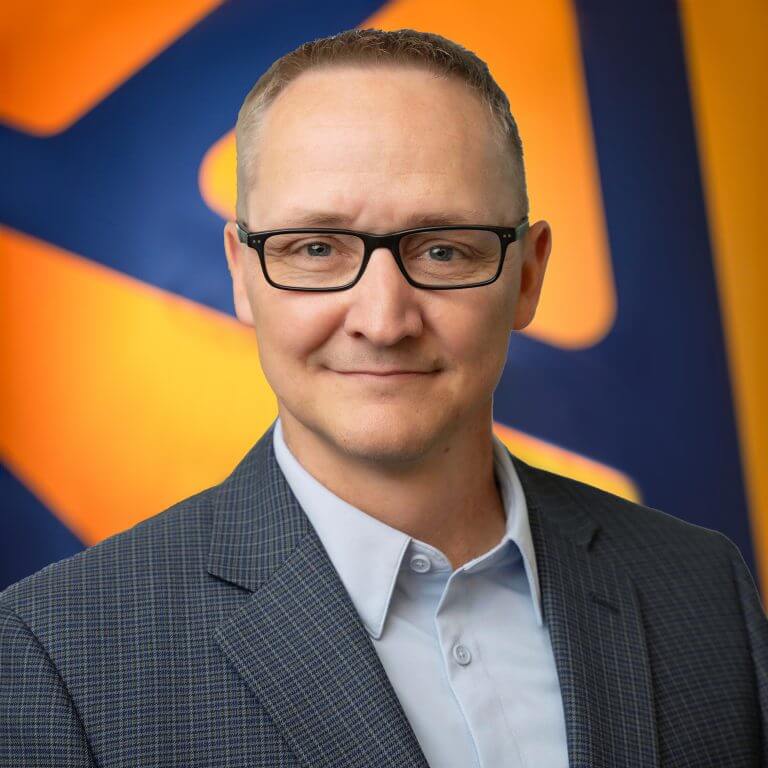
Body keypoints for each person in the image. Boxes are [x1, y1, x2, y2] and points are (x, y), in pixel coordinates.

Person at [1, 27, 765, 768]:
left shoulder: (704, 588)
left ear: (527, 276)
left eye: (441, 249)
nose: (383, 320)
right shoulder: (60, 653)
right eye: (315, 249)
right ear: (241, 273)